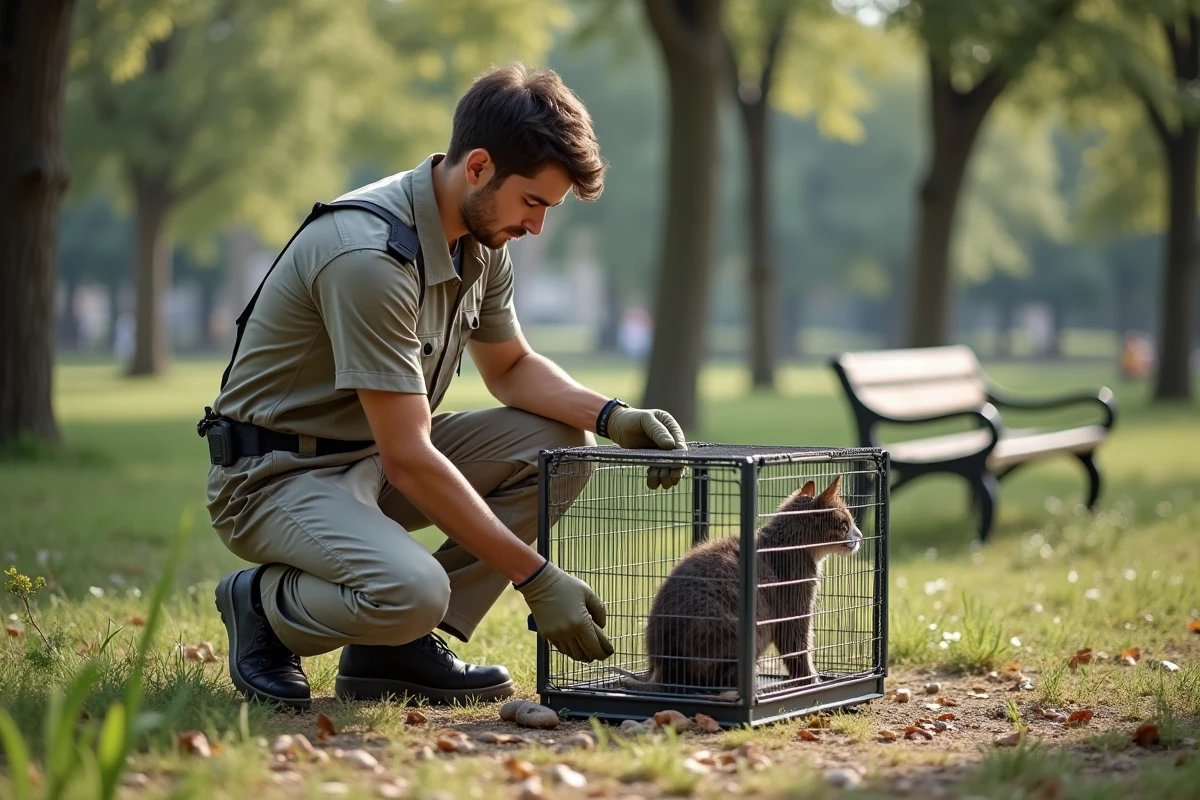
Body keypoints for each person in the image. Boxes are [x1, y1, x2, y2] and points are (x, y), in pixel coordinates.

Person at [197, 63, 687, 712]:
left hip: (369, 457)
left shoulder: (480, 239)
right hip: (276, 477)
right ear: (478, 167)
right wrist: (535, 577)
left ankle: (392, 651)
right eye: (533, 203)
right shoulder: (370, 258)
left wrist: (612, 417)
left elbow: (509, 368)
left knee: (558, 446)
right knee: (412, 589)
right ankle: (263, 608)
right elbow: (409, 455)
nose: (536, 227)